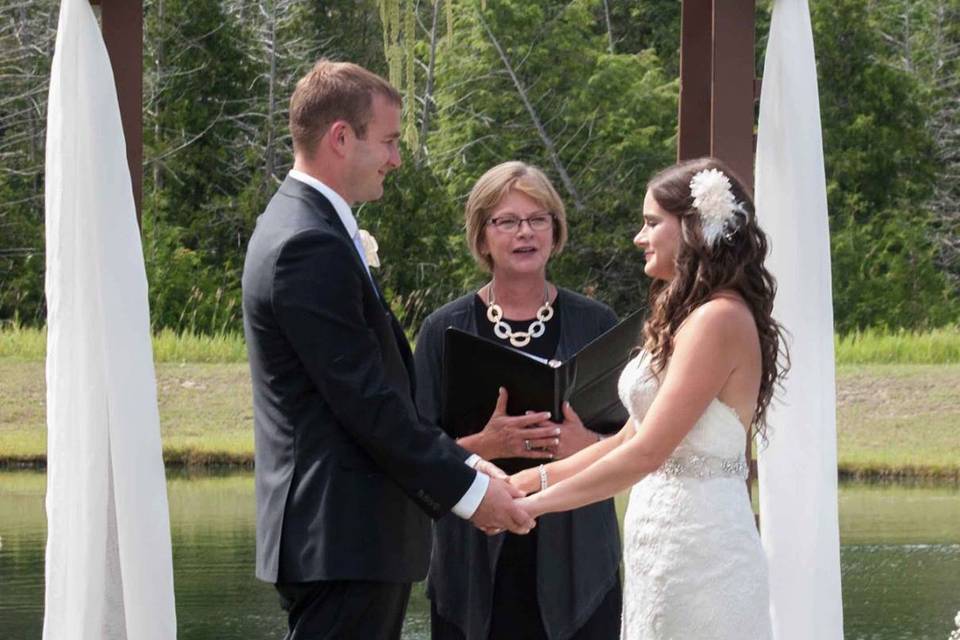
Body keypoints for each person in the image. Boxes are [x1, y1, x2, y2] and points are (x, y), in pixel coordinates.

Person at [241, 60, 534, 640]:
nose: (397, 159)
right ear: (341, 138)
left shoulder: (306, 226)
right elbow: (367, 403)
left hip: (348, 541)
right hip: (342, 539)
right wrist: (471, 493)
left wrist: (466, 461)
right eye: (390, 141)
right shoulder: (307, 243)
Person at [509, 157, 788, 639]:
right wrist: (526, 483)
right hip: (660, 546)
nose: (639, 237)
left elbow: (646, 453)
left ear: (694, 228)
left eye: (652, 223)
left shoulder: (718, 319)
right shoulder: (688, 316)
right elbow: (627, 437)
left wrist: (532, 509)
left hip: (701, 554)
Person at [413, 161, 622, 640]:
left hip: (579, 562)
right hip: (472, 560)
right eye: (507, 221)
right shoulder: (442, 331)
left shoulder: (597, 323)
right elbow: (415, 447)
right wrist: (483, 444)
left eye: (538, 219)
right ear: (482, 236)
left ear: (555, 230)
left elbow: (635, 439)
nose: (524, 233)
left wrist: (584, 443)